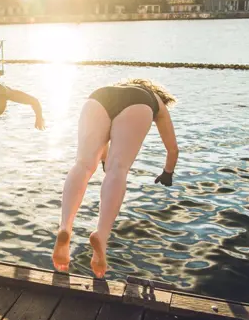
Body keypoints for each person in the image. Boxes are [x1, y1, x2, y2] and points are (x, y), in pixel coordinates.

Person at [53, 79, 178, 278]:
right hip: (139, 103)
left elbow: (104, 141)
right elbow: (172, 149)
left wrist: (103, 160)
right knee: (118, 169)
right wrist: (167, 172)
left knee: (83, 165)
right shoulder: (156, 101)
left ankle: (65, 227)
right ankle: (101, 236)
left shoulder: (115, 88)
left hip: (98, 96)